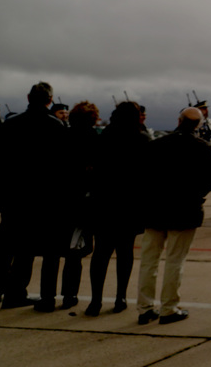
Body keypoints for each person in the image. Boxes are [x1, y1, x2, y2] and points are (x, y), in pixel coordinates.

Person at [136, 107, 211, 325]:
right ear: (199, 125)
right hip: (185, 210)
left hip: (155, 209)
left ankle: (145, 307)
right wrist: (196, 195)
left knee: (148, 260)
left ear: (178, 120)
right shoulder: (201, 148)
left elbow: (141, 176)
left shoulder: (156, 144)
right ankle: (168, 307)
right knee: (175, 261)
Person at [0, 82, 67, 311]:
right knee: (38, 251)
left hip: (14, 196)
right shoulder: (56, 126)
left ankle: (8, 292)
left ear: (28, 97)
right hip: (44, 198)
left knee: (9, 247)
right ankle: (19, 293)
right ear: (50, 100)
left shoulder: (11, 124)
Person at [85, 100, 151, 317]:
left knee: (101, 253)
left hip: (104, 201)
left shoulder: (103, 137)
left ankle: (95, 299)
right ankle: (120, 296)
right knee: (125, 252)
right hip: (129, 204)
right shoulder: (142, 139)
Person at [59, 101, 101, 310]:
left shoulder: (63, 135)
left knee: (65, 249)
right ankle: (69, 293)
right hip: (83, 200)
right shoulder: (93, 138)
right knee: (77, 249)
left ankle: (60, 293)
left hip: (63, 198)